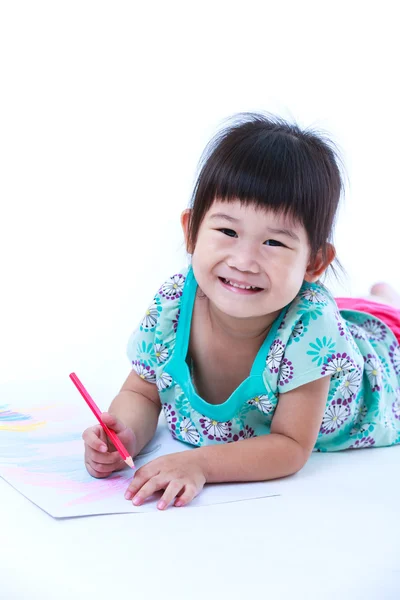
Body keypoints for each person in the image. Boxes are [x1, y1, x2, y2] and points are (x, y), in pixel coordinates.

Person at [82, 113, 400, 510]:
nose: (244, 260)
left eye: (274, 243)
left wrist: (200, 463)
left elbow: (290, 446)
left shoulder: (313, 327)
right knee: (353, 313)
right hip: (327, 318)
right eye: (228, 232)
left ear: (314, 263)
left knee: (383, 325)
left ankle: (386, 302)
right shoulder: (173, 305)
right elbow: (141, 394)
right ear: (191, 232)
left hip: (380, 364)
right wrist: (125, 433)